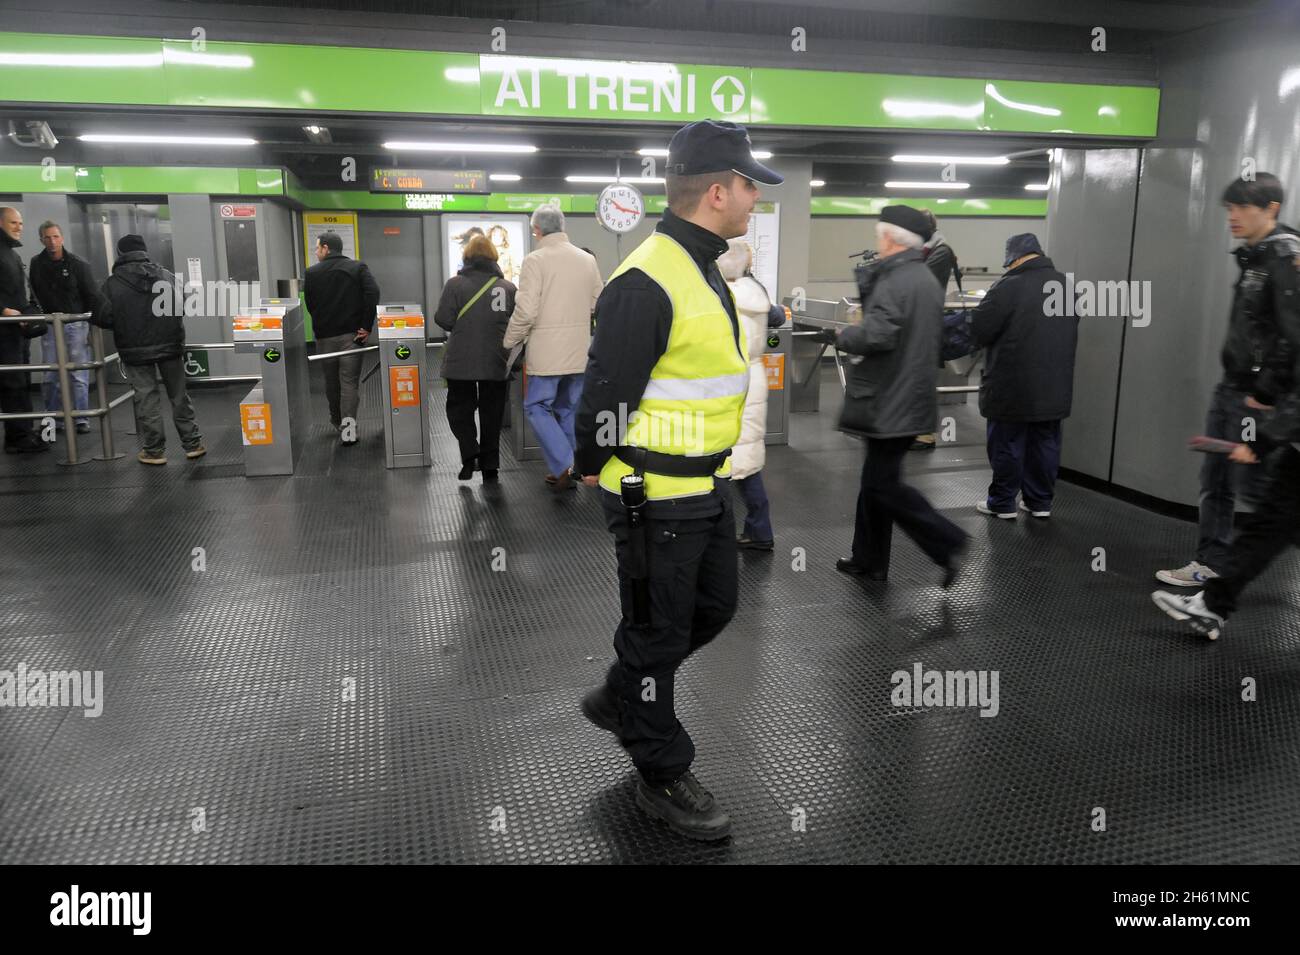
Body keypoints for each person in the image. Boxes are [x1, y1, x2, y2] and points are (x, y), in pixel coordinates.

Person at [573, 119, 783, 841]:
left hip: (707, 486)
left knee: (716, 607)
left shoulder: (703, 268)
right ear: (718, 191)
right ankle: (661, 771)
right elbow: (605, 400)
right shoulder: (647, 280)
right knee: (659, 633)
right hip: (653, 496)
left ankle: (624, 690)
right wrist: (599, 473)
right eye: (750, 185)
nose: (756, 198)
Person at [1156, 173, 1300, 587]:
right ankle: (1212, 564)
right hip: (1233, 386)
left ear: (1271, 209)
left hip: (1257, 397)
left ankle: (1227, 578)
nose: (1232, 216)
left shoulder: (1284, 258)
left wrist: (1265, 391)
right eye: (1229, 208)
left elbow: (1295, 336)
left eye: (1241, 208)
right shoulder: (1254, 256)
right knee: (1217, 479)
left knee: (1262, 494)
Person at [832, 205, 969, 583]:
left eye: (879, 234)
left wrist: (845, 335)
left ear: (890, 238)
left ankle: (947, 539)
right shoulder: (923, 277)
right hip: (908, 394)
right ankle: (869, 559)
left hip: (889, 397)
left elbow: (877, 334)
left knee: (881, 485)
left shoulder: (895, 279)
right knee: (874, 483)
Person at [969, 233, 1078, 519]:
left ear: (1014, 258)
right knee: (1045, 442)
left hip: (1012, 384)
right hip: (1054, 384)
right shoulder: (1066, 285)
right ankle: (1039, 502)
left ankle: (1002, 503)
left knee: (1008, 443)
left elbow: (980, 329)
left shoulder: (1008, 286)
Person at [502, 205, 603, 492]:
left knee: (536, 406)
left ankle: (566, 464)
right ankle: (581, 467)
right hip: (580, 350)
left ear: (536, 230)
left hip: (547, 353)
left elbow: (526, 311)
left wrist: (510, 341)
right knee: (568, 408)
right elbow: (598, 301)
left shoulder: (535, 261)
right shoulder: (586, 260)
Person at [89, 234, 204, 465]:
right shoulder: (166, 276)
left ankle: (154, 451)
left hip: (134, 349)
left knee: (146, 398)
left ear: (121, 254)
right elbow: (184, 305)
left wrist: (125, 321)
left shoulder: (112, 284)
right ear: (144, 251)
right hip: (170, 344)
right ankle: (193, 444)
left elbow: (102, 316)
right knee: (179, 395)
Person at [718, 237, 785, 550]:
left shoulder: (721, 296)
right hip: (754, 376)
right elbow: (778, 317)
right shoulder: (757, 293)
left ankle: (723, 534)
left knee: (724, 459)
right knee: (748, 460)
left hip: (728, 380)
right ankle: (760, 529)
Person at [434, 233, 515, 482]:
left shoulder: (455, 285)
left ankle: (470, 457)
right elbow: (516, 321)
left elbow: (444, 319)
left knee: (460, 410)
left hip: (461, 361)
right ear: (493, 257)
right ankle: (491, 465)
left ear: (466, 257)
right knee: (492, 413)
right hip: (496, 360)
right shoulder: (507, 288)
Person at [303, 231, 381, 445]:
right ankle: (349, 432)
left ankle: (337, 421)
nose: (316, 252)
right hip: (352, 336)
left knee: (331, 382)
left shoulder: (311, 273)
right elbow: (373, 292)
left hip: (325, 337)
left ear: (326, 248)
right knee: (349, 383)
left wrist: (322, 321)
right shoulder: (357, 268)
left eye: (317, 248)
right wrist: (366, 325)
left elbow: (310, 304)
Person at [29, 221, 100, 434]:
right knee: (51, 375)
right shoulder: (36, 263)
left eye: (55, 237)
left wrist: (89, 321)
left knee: (77, 373)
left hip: (75, 323)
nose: (52, 241)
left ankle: (81, 419)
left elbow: (92, 295)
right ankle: (54, 419)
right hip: (51, 324)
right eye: (47, 237)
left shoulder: (78, 264)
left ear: (62, 238)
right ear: (41, 239)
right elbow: (33, 291)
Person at [0, 206, 50, 453]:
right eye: (13, 223)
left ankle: (22, 433)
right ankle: (18, 437)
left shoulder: (11, 254)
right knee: (12, 383)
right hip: (4, 333)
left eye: (20, 223)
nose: (19, 227)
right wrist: (4, 311)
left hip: (16, 332)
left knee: (21, 381)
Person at [911, 209, 961, 451]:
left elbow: (919, 282)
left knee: (922, 379)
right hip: (914, 323)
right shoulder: (923, 250)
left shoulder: (940, 252)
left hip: (926, 324)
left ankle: (925, 434)